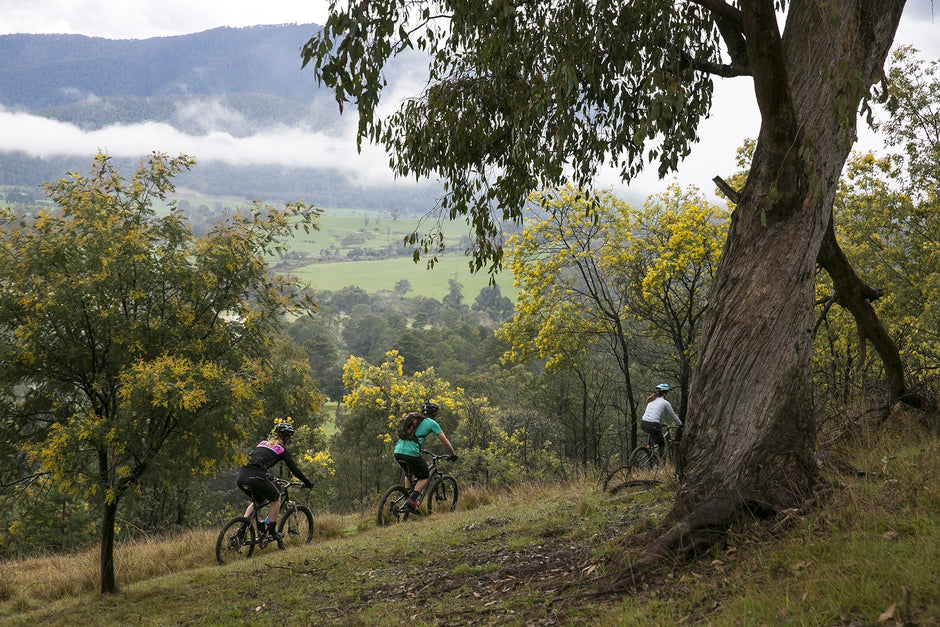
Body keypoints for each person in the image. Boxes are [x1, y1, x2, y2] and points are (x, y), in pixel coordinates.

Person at [235, 422, 314, 539]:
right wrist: (307, 482)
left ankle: (242, 528)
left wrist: (267, 475)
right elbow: (295, 470)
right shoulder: (282, 449)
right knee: (276, 497)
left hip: (241, 475)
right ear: (287, 438)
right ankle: (272, 532)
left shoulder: (262, 443)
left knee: (258, 501)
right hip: (256, 476)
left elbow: (255, 461)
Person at [393, 401, 457, 513]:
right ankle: (412, 500)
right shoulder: (431, 423)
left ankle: (406, 496)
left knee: (409, 473)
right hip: (411, 453)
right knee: (424, 476)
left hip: (398, 451)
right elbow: (445, 442)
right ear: (435, 414)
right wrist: (453, 455)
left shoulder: (414, 419)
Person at [640, 383, 682, 460]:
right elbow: (673, 415)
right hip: (653, 424)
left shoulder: (651, 400)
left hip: (643, 423)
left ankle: (651, 455)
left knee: (654, 437)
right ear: (665, 393)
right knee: (661, 444)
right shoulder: (665, 402)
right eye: (668, 393)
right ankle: (660, 463)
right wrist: (680, 424)